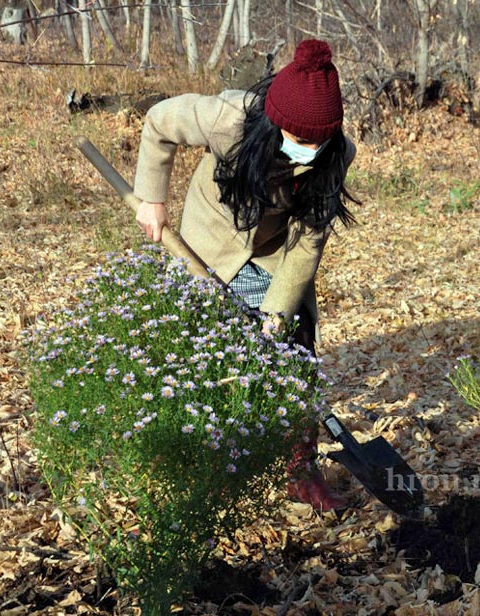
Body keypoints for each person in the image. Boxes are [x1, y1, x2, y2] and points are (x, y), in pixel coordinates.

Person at [132, 39, 357, 511]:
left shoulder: (336, 156)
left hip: (275, 252)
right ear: (274, 123)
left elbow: (307, 244)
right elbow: (159, 123)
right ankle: (205, 467)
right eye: (299, 140)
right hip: (209, 237)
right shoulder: (228, 119)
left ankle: (301, 470)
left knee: (294, 348)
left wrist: (275, 318)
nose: (308, 151)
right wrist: (153, 198)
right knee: (205, 355)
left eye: (319, 142)